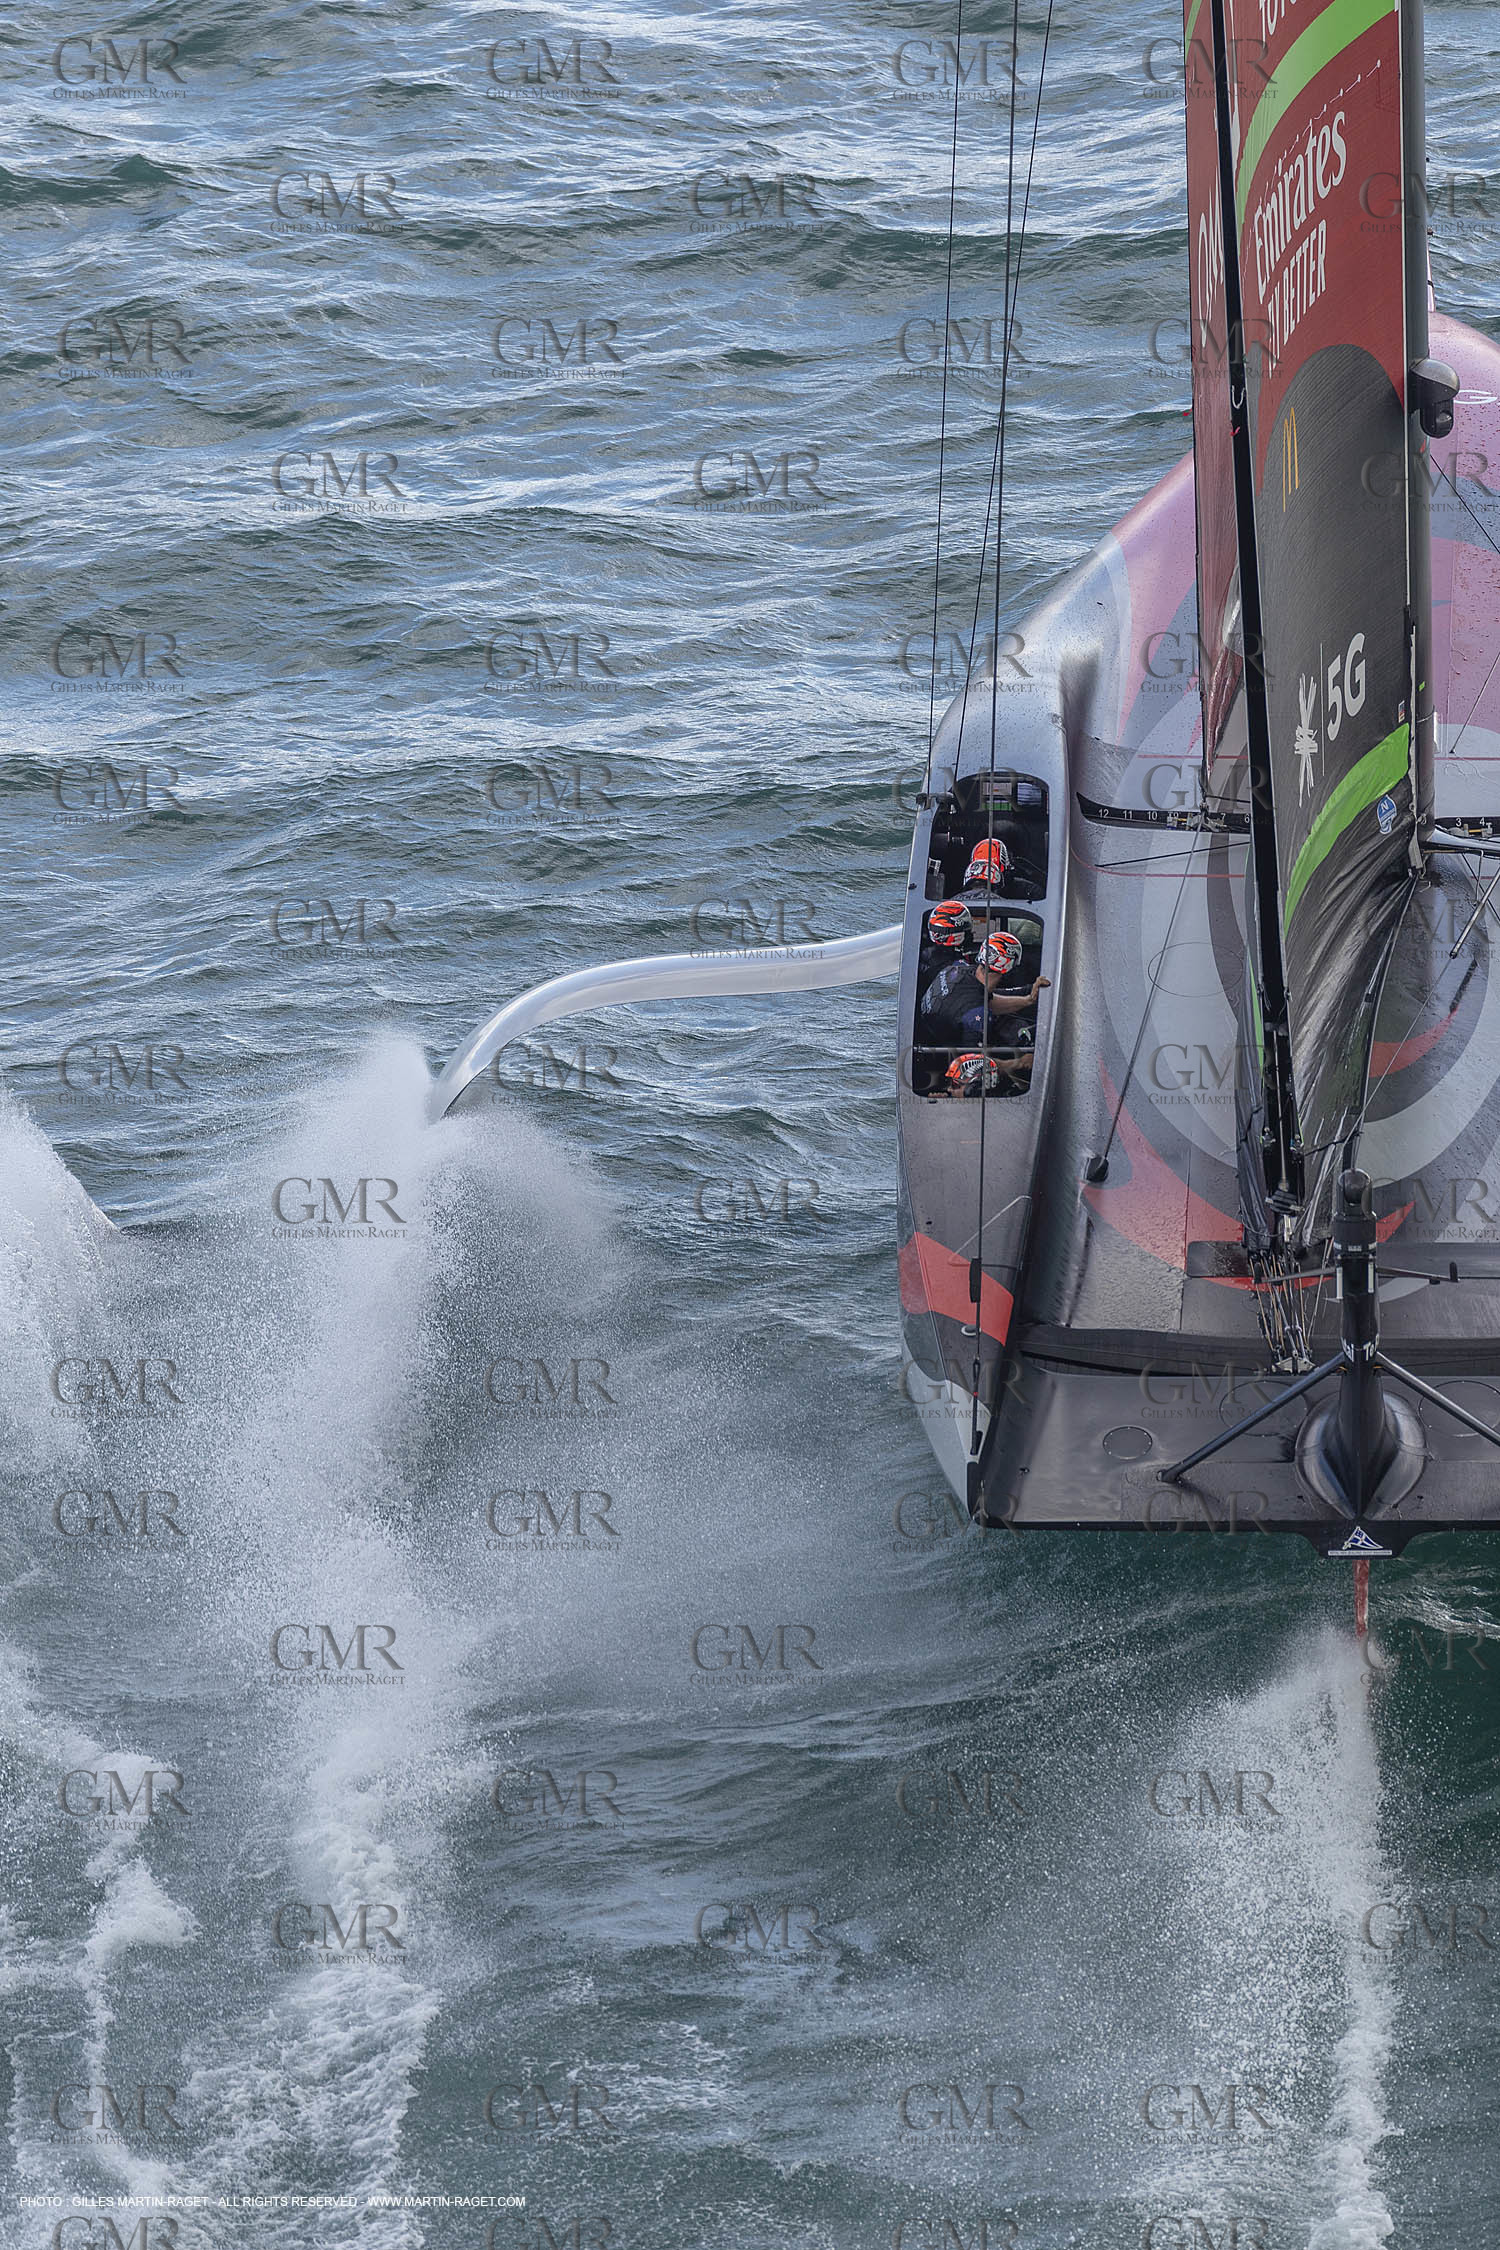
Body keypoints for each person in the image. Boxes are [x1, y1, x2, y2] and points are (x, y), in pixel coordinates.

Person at [919, 929, 1050, 1047]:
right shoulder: (977, 1015)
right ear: (1008, 969)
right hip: (944, 1054)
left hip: (929, 1033)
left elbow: (988, 1001)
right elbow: (973, 1062)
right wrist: (1020, 1063)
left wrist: (1028, 999)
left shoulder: (957, 969)